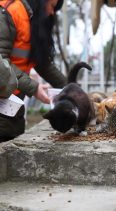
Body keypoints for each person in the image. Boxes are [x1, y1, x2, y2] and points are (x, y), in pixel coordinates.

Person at [0, 0, 67, 141]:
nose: (51, 13)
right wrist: (34, 88)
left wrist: (71, 88)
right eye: (52, 7)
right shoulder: (11, 11)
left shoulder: (32, 22)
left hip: (14, 107)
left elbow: (42, 63)